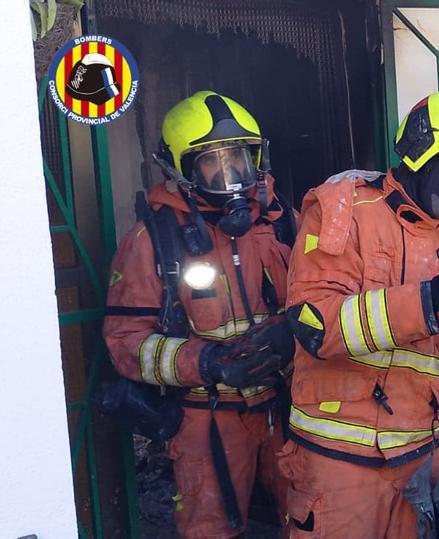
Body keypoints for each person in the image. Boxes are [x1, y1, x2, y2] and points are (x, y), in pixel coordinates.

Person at [280, 91, 439, 538]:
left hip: (425, 464)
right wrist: (428, 300)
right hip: (341, 463)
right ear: (423, 152)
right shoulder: (345, 210)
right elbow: (315, 325)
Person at [104, 90, 296, 538]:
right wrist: (205, 362)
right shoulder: (153, 240)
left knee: (308, 520)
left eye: (238, 157)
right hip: (205, 418)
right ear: (182, 169)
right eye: (211, 160)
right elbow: (125, 343)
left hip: (285, 409)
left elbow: (319, 301)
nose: (229, 172)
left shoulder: (282, 223)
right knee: (209, 528)